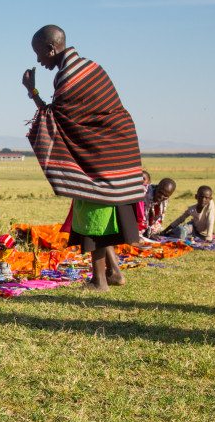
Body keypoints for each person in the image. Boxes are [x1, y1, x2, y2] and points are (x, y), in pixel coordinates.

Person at [23, 24, 144, 291]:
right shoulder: (91, 68)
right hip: (115, 148)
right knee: (102, 210)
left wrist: (32, 92)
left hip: (99, 155)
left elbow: (55, 119)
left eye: (39, 53)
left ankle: (99, 281)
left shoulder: (68, 78)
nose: (38, 60)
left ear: (51, 48)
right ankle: (114, 272)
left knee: (95, 216)